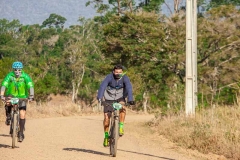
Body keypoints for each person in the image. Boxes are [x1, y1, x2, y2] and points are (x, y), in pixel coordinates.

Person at [97, 64, 135, 147]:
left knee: (123, 108)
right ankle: (106, 136)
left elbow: (129, 87)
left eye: (120, 72)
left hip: (120, 98)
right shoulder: (109, 77)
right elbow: (102, 86)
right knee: (107, 117)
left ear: (122, 72)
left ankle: (121, 125)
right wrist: (100, 98)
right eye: (116, 72)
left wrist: (130, 99)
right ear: (113, 72)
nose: (118, 74)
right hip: (108, 99)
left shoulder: (125, 78)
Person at [0, 61, 34, 142]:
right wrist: (1, 95)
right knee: (8, 103)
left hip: (22, 96)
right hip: (11, 95)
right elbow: (4, 85)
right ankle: (8, 116)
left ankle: (21, 133)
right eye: (15, 70)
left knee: (22, 114)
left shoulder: (25, 76)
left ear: (21, 70)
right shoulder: (9, 76)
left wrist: (31, 95)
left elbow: (30, 85)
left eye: (19, 70)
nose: (17, 72)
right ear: (13, 70)